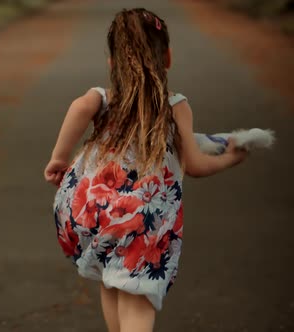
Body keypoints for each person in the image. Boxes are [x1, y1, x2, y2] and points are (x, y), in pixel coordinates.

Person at [44, 8, 248, 332]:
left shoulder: (103, 100)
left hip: (102, 214)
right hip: (146, 220)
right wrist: (230, 158)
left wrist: (58, 158)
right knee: (137, 301)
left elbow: (79, 106)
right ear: (167, 57)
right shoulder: (175, 106)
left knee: (111, 281)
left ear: (112, 63)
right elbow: (193, 164)